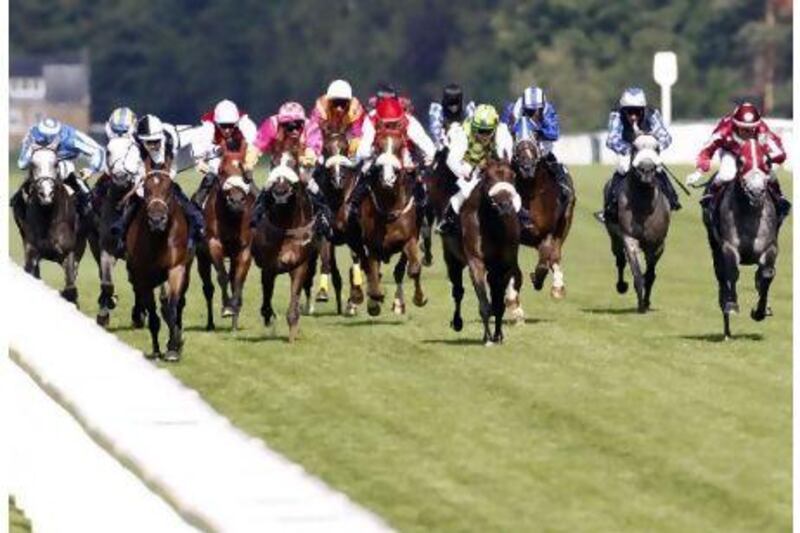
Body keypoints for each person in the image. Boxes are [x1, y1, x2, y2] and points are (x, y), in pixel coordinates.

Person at [437, 104, 533, 234]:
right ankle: (447, 220)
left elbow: (505, 154)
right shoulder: (463, 133)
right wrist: (465, 172)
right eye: (479, 130)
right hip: (470, 165)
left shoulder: (501, 130)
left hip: (493, 165)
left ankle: (521, 216)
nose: (483, 135)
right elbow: (452, 159)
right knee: (464, 192)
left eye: (487, 131)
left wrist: (496, 165)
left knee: (509, 188)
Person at [111, 114, 205, 245]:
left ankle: (198, 224)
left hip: (168, 166)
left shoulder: (172, 137)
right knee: (138, 197)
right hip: (144, 169)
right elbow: (133, 166)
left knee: (175, 193)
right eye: (150, 142)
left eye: (157, 141)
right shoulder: (133, 143)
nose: (154, 145)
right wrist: (141, 179)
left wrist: (198, 158)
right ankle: (121, 229)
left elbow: (199, 134)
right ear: (142, 140)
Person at [685, 101, 790, 219]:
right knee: (726, 175)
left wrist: (765, 159)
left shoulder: (762, 131)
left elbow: (780, 152)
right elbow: (707, 150)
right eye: (744, 129)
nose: (749, 133)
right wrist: (700, 171)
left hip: (754, 155)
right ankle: (711, 195)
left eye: (752, 129)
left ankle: (779, 197)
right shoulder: (724, 130)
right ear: (735, 125)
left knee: (769, 175)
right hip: (731, 153)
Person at [346, 94, 436, 225]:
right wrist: (373, 153)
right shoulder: (371, 119)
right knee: (365, 172)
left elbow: (429, 148)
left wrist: (423, 163)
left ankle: (423, 216)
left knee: (420, 185)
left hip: (403, 159)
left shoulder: (408, 121)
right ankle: (353, 208)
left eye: (394, 124)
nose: (390, 127)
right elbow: (362, 151)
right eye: (387, 124)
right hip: (377, 158)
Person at [598, 87, 680, 223]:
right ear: (623, 110)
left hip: (648, 150)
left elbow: (666, 138)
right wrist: (631, 148)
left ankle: (672, 199)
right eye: (629, 112)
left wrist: (651, 144)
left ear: (643, 110)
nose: (633, 116)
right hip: (627, 150)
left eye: (637, 112)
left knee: (658, 168)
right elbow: (611, 140)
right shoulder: (616, 115)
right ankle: (610, 208)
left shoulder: (653, 114)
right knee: (622, 168)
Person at [249, 102, 329, 235]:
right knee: (268, 186)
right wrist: (249, 163)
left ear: (303, 122)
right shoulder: (271, 124)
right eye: (289, 126)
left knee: (308, 181)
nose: (294, 130)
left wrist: (308, 159)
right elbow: (257, 146)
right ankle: (256, 218)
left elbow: (313, 148)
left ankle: (324, 217)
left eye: (297, 125)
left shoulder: (311, 127)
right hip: (278, 164)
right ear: (281, 124)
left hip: (303, 163)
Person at [13, 117, 103, 223]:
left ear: (58, 134)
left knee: (68, 171)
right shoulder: (33, 134)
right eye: (43, 136)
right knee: (18, 197)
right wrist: (31, 149)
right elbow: (22, 164)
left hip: (64, 163)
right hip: (41, 166)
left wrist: (91, 169)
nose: (45, 140)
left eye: (50, 137)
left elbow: (98, 151)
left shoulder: (70, 138)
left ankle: (86, 209)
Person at [505, 85, 572, 199]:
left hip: (542, 148)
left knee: (559, 169)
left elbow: (554, 133)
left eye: (536, 110)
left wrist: (540, 132)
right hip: (519, 150)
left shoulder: (548, 110)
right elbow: (508, 129)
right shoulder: (515, 109)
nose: (533, 113)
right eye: (529, 111)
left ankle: (564, 189)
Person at [192, 99, 259, 207]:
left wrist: (248, 166)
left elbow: (254, 146)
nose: (227, 130)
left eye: (230, 125)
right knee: (211, 175)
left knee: (247, 175)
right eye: (223, 126)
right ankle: (197, 206)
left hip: (239, 156)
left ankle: (260, 208)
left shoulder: (246, 124)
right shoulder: (208, 127)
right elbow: (199, 152)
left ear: (236, 123)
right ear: (217, 123)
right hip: (215, 157)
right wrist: (212, 153)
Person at [306, 79, 366, 158]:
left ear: (349, 102)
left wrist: (354, 148)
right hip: (324, 146)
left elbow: (357, 133)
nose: (339, 109)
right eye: (336, 103)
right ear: (329, 102)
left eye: (343, 103)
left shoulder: (355, 110)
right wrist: (312, 154)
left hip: (347, 145)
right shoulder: (320, 110)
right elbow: (314, 134)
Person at [428, 83, 475, 151]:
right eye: (450, 103)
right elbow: (435, 132)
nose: (453, 107)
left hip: (465, 144)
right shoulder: (437, 109)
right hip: (442, 145)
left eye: (456, 103)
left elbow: (472, 129)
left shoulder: (468, 108)